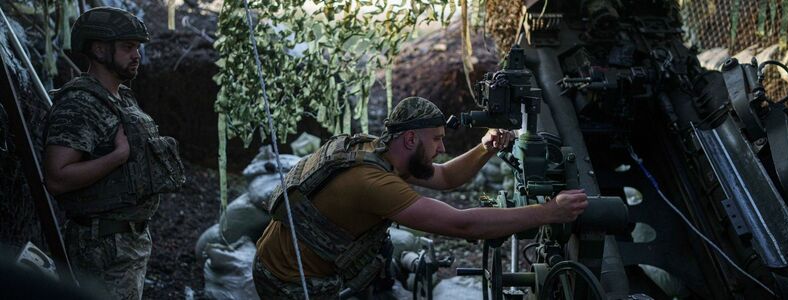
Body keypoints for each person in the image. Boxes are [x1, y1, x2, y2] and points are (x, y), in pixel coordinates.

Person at [252, 96, 588, 299]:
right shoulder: (374, 183)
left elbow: (444, 177)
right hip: (289, 283)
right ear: (411, 138)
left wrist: (486, 147)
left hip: (287, 263)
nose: (442, 148)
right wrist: (548, 212)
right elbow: (464, 224)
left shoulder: (379, 150)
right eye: (437, 140)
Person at [43, 7, 185, 300]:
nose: (137, 55)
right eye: (128, 47)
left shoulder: (121, 97)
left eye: (137, 48)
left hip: (127, 243)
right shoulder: (80, 103)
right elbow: (57, 177)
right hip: (103, 247)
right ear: (98, 49)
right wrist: (117, 157)